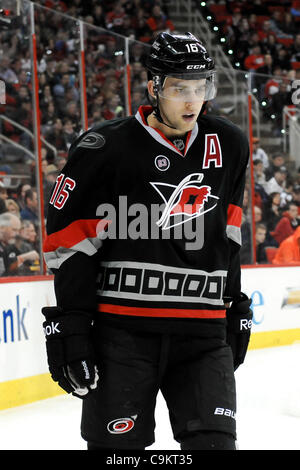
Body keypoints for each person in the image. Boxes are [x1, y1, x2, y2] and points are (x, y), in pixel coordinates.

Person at [42, 31, 252, 451]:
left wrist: (233, 300)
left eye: (201, 87)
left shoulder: (228, 144)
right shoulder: (104, 147)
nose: (193, 101)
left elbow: (228, 231)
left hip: (202, 335)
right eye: (180, 89)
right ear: (154, 86)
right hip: (123, 334)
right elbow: (69, 244)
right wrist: (73, 325)